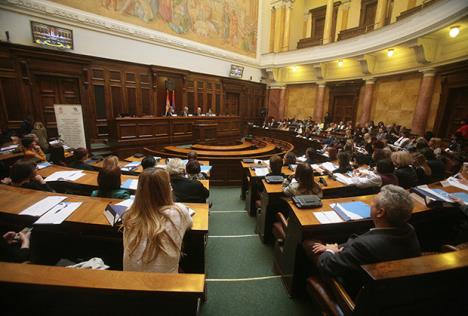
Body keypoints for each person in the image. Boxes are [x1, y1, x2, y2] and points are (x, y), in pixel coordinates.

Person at [311, 185, 421, 295]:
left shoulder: (365, 246)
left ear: (380, 213)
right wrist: (338, 248)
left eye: (372, 203)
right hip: (399, 290)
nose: (370, 205)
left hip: (359, 293)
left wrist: (330, 250)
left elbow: (326, 265)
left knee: (310, 244)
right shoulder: (409, 230)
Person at [122, 168, 192, 273]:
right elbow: (189, 225)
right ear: (167, 188)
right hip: (164, 284)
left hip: (130, 283)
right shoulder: (180, 211)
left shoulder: (129, 213)